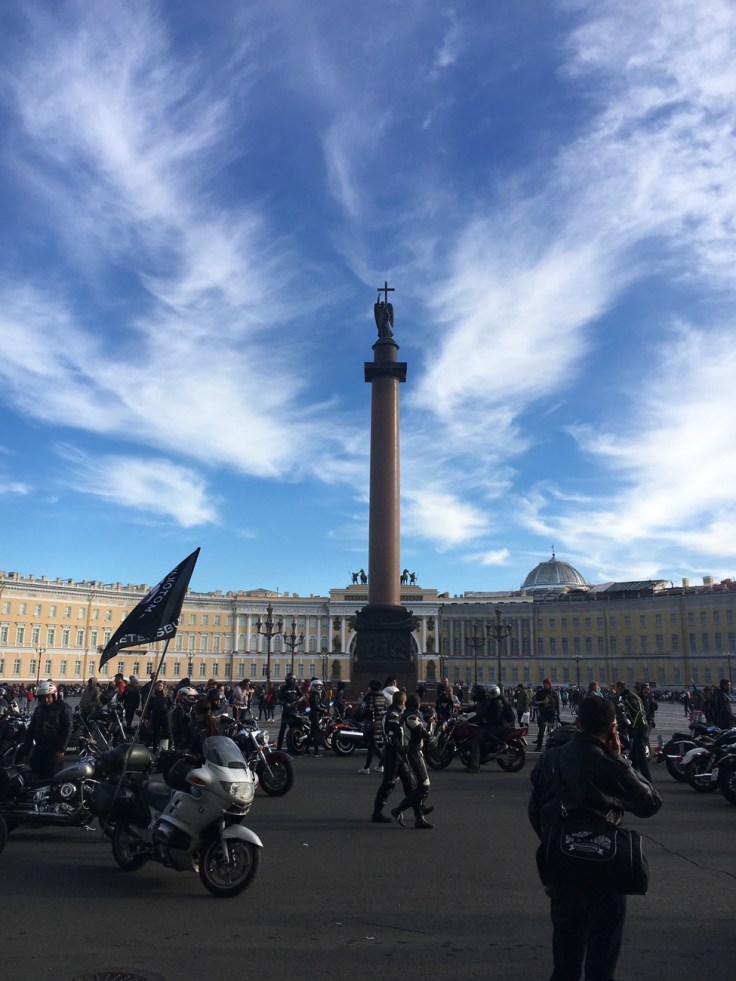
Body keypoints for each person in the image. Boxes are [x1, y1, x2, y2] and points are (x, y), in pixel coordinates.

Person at [529, 695, 662, 981]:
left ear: (577, 723)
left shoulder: (550, 758)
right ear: (613, 727)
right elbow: (650, 803)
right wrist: (619, 759)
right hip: (606, 868)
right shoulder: (609, 764)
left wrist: (559, 841)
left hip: (563, 866)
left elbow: (535, 812)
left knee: (564, 959)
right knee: (601, 961)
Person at [390, 693, 434, 829]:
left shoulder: (407, 716)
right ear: (418, 705)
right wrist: (431, 725)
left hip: (413, 752)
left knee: (422, 786)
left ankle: (419, 816)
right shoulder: (412, 717)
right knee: (424, 786)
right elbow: (426, 736)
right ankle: (399, 809)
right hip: (413, 752)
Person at [21, 680, 73, 778]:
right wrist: (26, 752)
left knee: (53, 779)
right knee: (35, 777)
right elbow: (31, 731)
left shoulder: (64, 708)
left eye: (48, 697)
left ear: (54, 695)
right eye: (43, 697)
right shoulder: (39, 710)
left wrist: (61, 749)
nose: (45, 700)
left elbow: (67, 730)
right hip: (40, 749)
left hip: (54, 751)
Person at [467, 683, 515, 772]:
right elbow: (478, 709)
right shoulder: (494, 701)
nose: (488, 695)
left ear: (495, 693)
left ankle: (475, 766)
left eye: (491, 693)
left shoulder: (497, 702)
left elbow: (494, 716)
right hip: (500, 725)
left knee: (476, 741)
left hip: (500, 726)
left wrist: (484, 719)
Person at [615, 681, 651, 781]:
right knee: (633, 756)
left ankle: (647, 779)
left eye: (616, 688)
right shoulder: (629, 696)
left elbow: (638, 713)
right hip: (640, 726)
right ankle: (634, 777)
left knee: (640, 755)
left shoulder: (629, 697)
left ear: (619, 687)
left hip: (640, 727)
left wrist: (631, 726)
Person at [358, 679, 387, 774]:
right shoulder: (382, 696)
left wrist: (361, 716)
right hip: (379, 723)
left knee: (373, 746)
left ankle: (385, 761)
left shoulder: (369, 696)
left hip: (371, 724)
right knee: (371, 746)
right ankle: (368, 767)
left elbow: (368, 710)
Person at [142, 679, 173, 751]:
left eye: (160, 685)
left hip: (165, 716)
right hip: (155, 716)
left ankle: (169, 746)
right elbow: (149, 707)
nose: (159, 687)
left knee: (167, 732)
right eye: (158, 685)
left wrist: (168, 711)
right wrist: (147, 717)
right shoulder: (153, 696)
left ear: (163, 687)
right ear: (155, 686)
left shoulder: (167, 695)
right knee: (155, 733)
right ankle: (155, 748)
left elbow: (171, 704)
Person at [533, 678, 561, 751]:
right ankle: (539, 746)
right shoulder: (540, 692)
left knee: (551, 731)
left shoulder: (553, 693)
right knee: (541, 730)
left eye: (547, 684)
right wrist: (542, 702)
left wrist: (558, 713)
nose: (546, 685)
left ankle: (550, 746)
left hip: (552, 713)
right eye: (545, 684)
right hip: (543, 713)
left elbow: (557, 703)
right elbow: (534, 702)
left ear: (550, 684)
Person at [276, 673, 302, 750]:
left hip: (294, 711)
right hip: (286, 712)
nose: (291, 681)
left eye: (292, 679)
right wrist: (285, 703)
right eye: (289, 679)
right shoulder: (283, 688)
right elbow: (278, 699)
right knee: (282, 730)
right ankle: (279, 747)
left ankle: (294, 745)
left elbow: (302, 696)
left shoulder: (296, 687)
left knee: (295, 728)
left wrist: (297, 701)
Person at [304, 678, 326, 757]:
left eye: (320, 686)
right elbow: (315, 706)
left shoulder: (313, 693)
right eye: (317, 686)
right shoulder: (314, 694)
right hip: (315, 714)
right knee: (316, 732)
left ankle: (307, 749)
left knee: (312, 733)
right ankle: (316, 750)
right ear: (313, 686)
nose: (319, 687)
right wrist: (323, 709)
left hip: (313, 713)